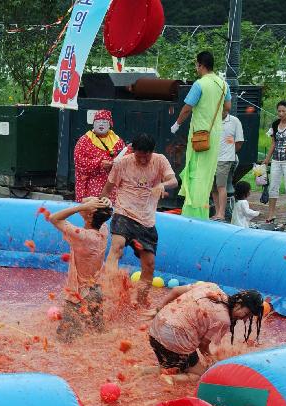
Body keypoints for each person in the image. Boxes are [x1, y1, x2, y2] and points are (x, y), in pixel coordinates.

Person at [102, 133, 178, 305]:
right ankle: (107, 289)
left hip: (147, 220)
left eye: (147, 155)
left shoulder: (159, 160)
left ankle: (140, 302)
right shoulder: (122, 163)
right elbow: (107, 188)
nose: (143, 160)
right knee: (117, 247)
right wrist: (101, 207)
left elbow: (173, 180)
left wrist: (162, 185)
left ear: (152, 152)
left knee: (149, 265)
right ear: (133, 151)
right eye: (139, 156)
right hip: (124, 213)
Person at [147, 282, 263, 384]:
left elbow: (175, 290)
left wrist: (158, 310)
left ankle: (142, 370)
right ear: (238, 303)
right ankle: (171, 379)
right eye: (247, 314)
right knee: (202, 375)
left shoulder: (211, 286)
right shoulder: (223, 320)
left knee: (172, 364)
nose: (244, 319)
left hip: (155, 329)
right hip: (172, 338)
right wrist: (214, 363)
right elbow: (203, 346)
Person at [171, 51, 232, 220]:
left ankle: (194, 211)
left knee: (196, 170)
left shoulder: (200, 84)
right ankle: (203, 208)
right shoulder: (223, 84)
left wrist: (177, 124)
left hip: (200, 134)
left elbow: (187, 107)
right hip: (215, 133)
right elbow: (227, 106)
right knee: (208, 172)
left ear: (200, 65)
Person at [47, 197, 114, 341]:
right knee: (98, 334)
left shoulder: (82, 236)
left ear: (89, 214)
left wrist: (79, 208)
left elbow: (53, 218)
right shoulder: (103, 230)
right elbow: (99, 212)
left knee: (66, 340)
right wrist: (105, 201)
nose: (85, 201)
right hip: (95, 292)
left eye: (89, 203)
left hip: (80, 296)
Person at [72, 109, 126, 203]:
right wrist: (99, 163)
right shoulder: (84, 140)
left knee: (109, 208)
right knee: (93, 208)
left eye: (104, 122)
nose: (101, 124)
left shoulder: (117, 141)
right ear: (93, 124)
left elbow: (125, 161)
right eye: (98, 121)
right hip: (91, 182)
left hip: (111, 183)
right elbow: (79, 161)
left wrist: (113, 164)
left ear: (110, 124)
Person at [263, 101, 286, 225]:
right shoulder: (274, 124)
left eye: (283, 111)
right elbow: (273, 143)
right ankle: (271, 214)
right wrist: (267, 158)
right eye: (279, 111)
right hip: (276, 159)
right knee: (273, 186)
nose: (281, 113)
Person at [212, 108, 244, 220]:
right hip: (211, 159)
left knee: (221, 185)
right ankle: (217, 212)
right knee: (213, 188)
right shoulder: (212, 119)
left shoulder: (234, 121)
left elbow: (239, 142)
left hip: (225, 159)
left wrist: (230, 153)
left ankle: (221, 213)